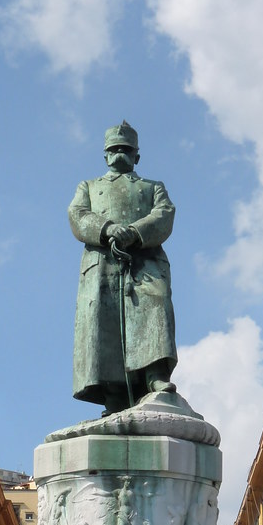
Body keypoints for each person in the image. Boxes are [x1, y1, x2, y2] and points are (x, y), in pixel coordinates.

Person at [68, 121, 177, 416]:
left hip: (145, 260)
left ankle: (155, 374)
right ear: (105, 155)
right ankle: (113, 394)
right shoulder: (89, 187)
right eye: (114, 149)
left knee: (155, 306)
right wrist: (107, 228)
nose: (120, 153)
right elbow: (77, 214)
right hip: (102, 262)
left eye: (126, 149)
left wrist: (134, 232)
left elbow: (164, 214)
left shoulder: (153, 187)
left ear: (136, 156)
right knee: (104, 323)